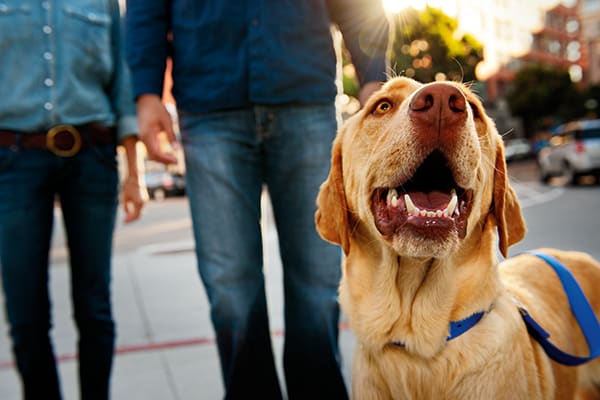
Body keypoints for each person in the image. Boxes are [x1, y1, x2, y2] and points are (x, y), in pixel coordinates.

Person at [126, 1, 389, 398]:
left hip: (305, 99)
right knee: (229, 287)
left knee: (318, 282)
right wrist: (146, 93)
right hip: (209, 105)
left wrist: (373, 76)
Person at [0, 1, 144, 399]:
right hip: (13, 160)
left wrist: (134, 173)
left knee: (95, 306)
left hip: (92, 157)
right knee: (25, 311)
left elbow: (123, 83)